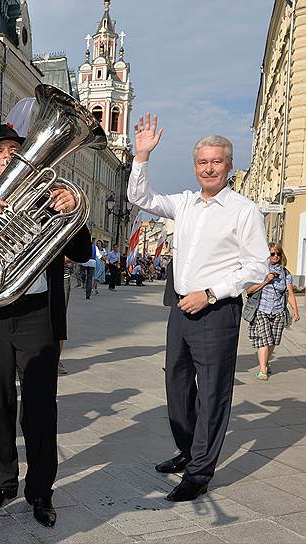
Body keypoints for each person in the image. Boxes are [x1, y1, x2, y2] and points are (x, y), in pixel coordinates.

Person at [0, 124, 91, 527]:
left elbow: (83, 252)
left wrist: (72, 210)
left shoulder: (47, 199)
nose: (9, 155)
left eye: (16, 149)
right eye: (0, 151)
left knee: (40, 409)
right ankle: (1, 481)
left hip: (34, 315)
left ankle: (41, 492)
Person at [128, 113, 268, 502]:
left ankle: (200, 472)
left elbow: (257, 266)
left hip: (215, 312)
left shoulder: (244, 210)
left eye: (217, 161)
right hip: (180, 309)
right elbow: (140, 198)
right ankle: (190, 450)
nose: (209, 168)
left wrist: (210, 293)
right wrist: (141, 156)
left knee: (212, 393)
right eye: (203, 162)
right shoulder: (184, 203)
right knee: (176, 385)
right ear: (195, 167)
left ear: (229, 165)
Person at [246, 243, 300, 380]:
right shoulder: (260, 271)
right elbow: (249, 290)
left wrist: (296, 310)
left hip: (278, 311)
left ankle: (265, 361)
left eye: (278, 254)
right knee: (264, 339)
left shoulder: (286, 273)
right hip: (261, 309)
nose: (276, 256)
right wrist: (265, 281)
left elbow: (290, 293)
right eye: (272, 254)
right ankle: (262, 369)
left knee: (273, 341)